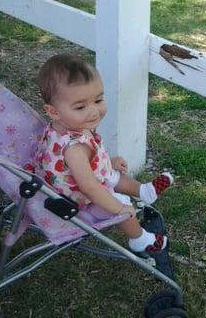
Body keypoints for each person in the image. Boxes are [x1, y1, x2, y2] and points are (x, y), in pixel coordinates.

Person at [32, 53, 174, 278]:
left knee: (116, 174)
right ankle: (139, 239)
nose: (94, 111)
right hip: (78, 199)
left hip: (83, 177)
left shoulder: (69, 125)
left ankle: (144, 191)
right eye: (80, 106)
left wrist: (109, 161)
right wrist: (119, 208)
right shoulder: (74, 149)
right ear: (53, 111)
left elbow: (92, 158)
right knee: (121, 203)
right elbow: (90, 188)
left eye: (98, 100)